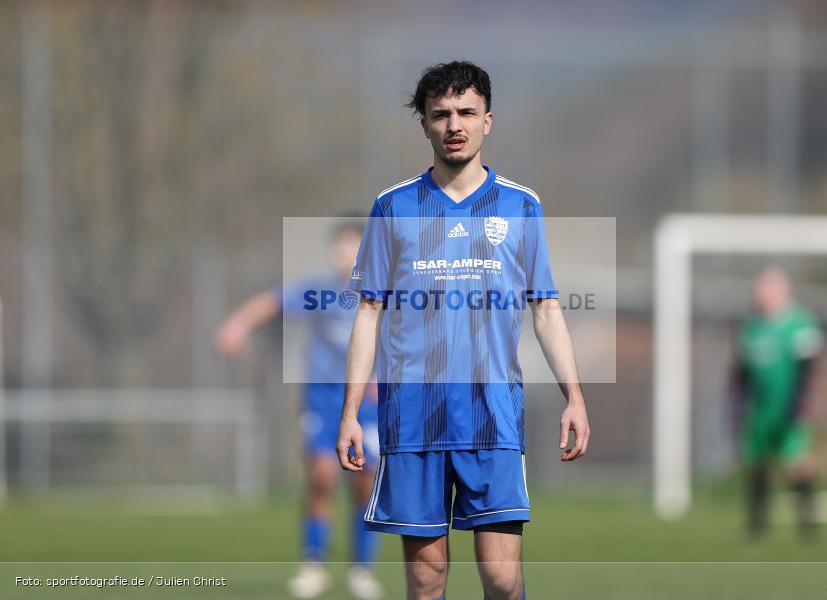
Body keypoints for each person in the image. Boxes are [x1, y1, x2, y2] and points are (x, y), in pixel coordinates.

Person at [336, 61, 590, 600]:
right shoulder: (393, 207)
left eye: (466, 112)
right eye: (441, 114)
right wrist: (351, 411)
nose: (455, 124)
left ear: (487, 121)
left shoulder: (521, 206)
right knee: (427, 580)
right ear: (424, 125)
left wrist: (574, 395)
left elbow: (544, 308)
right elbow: (368, 313)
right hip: (412, 419)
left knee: (500, 576)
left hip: (491, 416)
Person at [215, 221, 384, 599]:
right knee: (322, 475)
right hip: (323, 399)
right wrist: (238, 325)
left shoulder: (383, 292)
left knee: (363, 483)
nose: (345, 256)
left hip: (369, 404)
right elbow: (271, 302)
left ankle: (362, 569)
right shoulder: (319, 290)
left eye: (354, 248)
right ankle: (314, 563)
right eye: (340, 248)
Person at [730, 267, 822, 540]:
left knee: (798, 462)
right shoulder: (751, 328)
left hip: (788, 406)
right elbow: (742, 371)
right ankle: (757, 524)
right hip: (760, 409)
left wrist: (799, 400)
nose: (762, 296)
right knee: (757, 462)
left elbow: (808, 366)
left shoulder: (800, 323)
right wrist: (737, 404)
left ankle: (807, 523)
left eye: (768, 289)